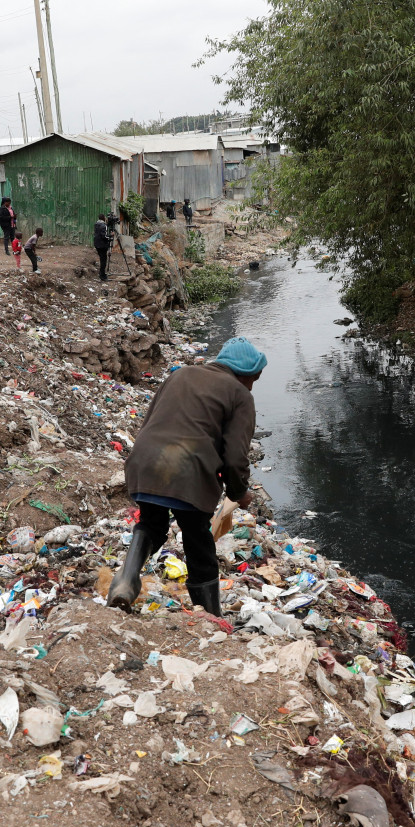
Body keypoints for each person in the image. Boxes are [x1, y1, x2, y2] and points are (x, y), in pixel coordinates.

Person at [110, 336, 266, 616]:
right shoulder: (240, 395)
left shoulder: (180, 374)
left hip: (145, 462)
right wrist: (239, 492)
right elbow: (234, 458)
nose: (253, 385)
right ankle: (209, 615)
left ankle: (124, 582)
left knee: (151, 525)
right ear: (244, 375)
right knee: (198, 542)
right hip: (189, 472)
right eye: (254, 378)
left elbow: (150, 422)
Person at [93, 213, 110, 281]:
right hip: (102, 245)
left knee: (101, 259)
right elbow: (104, 236)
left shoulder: (96, 224)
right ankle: (102, 275)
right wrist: (110, 236)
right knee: (103, 260)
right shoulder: (103, 226)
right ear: (103, 218)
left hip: (97, 244)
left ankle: (101, 273)